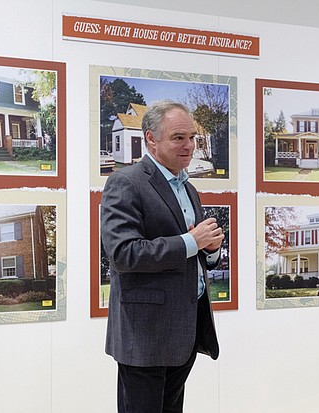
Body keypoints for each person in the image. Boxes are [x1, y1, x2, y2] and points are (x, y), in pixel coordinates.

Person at [100, 100, 224, 413]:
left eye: (192, 137)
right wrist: (190, 242)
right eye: (178, 137)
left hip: (184, 333)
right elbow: (123, 254)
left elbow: (195, 253)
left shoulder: (189, 189)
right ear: (151, 139)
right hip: (145, 337)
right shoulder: (125, 183)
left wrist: (210, 251)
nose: (190, 146)